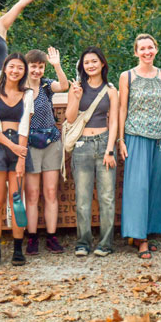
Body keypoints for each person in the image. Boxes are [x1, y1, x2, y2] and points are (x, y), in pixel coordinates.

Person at [117, 34, 161, 260]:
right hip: (135, 136)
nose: (147, 52)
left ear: (156, 50)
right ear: (136, 52)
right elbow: (122, 109)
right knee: (137, 188)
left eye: (150, 47)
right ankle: (139, 239)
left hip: (160, 137)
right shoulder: (127, 76)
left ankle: (148, 233)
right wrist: (120, 140)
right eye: (142, 48)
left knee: (156, 186)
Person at [65, 47, 120, 258]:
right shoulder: (77, 87)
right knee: (83, 198)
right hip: (82, 145)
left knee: (107, 197)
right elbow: (70, 118)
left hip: (104, 142)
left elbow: (114, 120)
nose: (91, 65)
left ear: (102, 64)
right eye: (87, 62)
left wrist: (110, 149)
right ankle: (83, 242)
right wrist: (76, 97)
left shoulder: (111, 90)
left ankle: (105, 243)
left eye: (94, 61)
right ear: (82, 66)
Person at [0, 53, 35, 267]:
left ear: (24, 72)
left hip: (18, 147)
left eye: (20, 68)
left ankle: (17, 250)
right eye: (12, 66)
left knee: (16, 201)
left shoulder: (28, 94)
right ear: (5, 68)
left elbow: (25, 125)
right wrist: (10, 145)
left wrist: (20, 157)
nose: (15, 71)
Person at [23, 47, 69, 255]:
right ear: (26, 67)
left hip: (51, 141)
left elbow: (65, 86)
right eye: (33, 66)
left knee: (50, 192)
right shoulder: (19, 87)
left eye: (40, 67)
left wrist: (56, 65)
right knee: (32, 194)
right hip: (29, 143)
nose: (37, 70)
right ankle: (32, 237)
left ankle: (51, 236)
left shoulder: (46, 85)